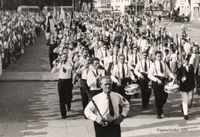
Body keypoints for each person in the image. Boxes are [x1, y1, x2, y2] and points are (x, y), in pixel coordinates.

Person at [148, 51, 175, 119]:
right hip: (156, 82)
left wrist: (173, 76)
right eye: (158, 56)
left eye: (160, 56)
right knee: (158, 97)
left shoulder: (164, 63)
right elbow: (149, 75)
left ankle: (160, 108)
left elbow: (168, 72)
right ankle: (159, 113)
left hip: (163, 81)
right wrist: (156, 80)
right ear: (155, 57)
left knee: (165, 97)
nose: (159, 57)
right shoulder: (153, 64)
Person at [51, 53, 74, 119]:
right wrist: (55, 65)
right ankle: (63, 114)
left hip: (68, 81)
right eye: (62, 57)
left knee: (68, 96)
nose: (64, 58)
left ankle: (68, 104)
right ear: (60, 58)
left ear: (67, 57)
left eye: (65, 57)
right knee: (61, 98)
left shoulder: (69, 63)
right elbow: (53, 72)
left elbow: (69, 69)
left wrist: (63, 65)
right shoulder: (59, 63)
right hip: (61, 81)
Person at [177, 55, 195, 120]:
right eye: (185, 60)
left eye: (187, 60)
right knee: (185, 100)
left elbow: (193, 77)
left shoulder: (191, 68)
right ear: (183, 61)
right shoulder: (180, 68)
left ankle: (182, 106)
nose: (186, 61)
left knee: (189, 100)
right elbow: (177, 77)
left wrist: (194, 86)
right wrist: (181, 79)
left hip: (190, 86)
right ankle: (185, 114)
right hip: (183, 87)